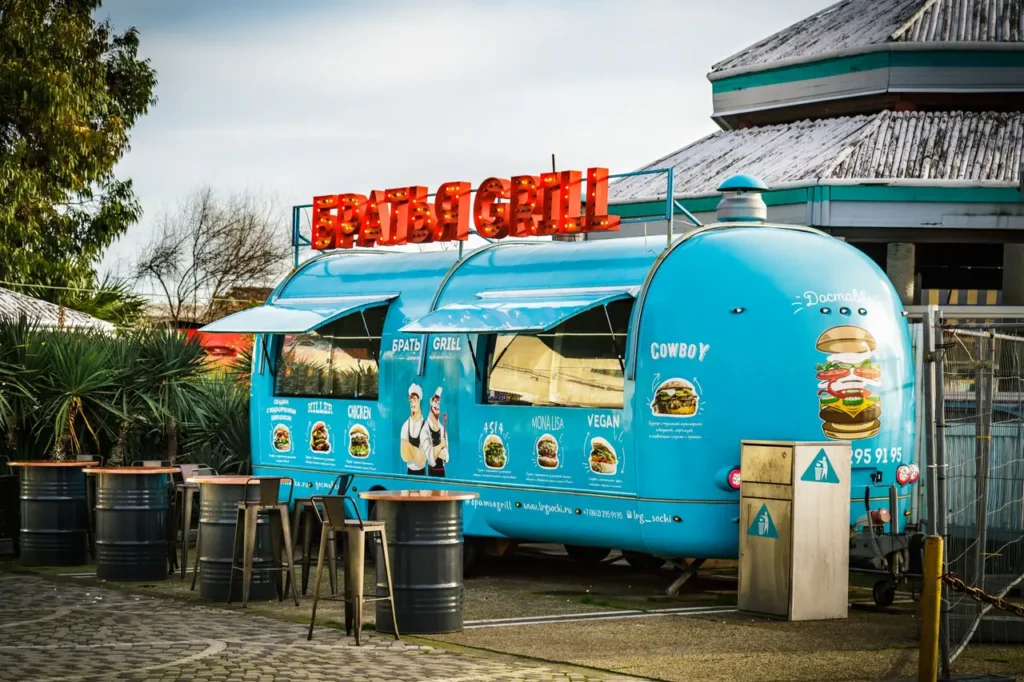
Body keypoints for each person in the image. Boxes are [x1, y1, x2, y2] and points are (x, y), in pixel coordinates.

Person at [399, 383, 430, 475]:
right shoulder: (405, 426)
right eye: (411, 401)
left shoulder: (426, 426)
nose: (412, 404)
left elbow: (421, 459)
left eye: (415, 400)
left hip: (422, 474)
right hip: (409, 473)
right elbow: (405, 456)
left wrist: (408, 446)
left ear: (419, 400)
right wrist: (417, 450)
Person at [426, 387, 448, 477]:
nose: (436, 406)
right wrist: (441, 446)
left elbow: (446, 457)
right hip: (431, 472)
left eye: (438, 405)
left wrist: (435, 450)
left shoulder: (442, 429)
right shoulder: (425, 428)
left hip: (442, 472)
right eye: (434, 404)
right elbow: (430, 457)